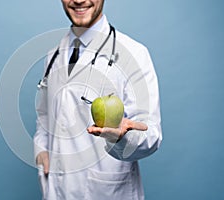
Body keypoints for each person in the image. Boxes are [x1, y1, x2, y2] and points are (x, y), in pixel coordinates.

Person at [34, 0, 162, 199]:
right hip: (56, 191)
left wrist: (121, 138)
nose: (78, 0)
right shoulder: (53, 55)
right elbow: (44, 115)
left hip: (106, 192)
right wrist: (41, 152)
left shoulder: (134, 54)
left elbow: (151, 135)